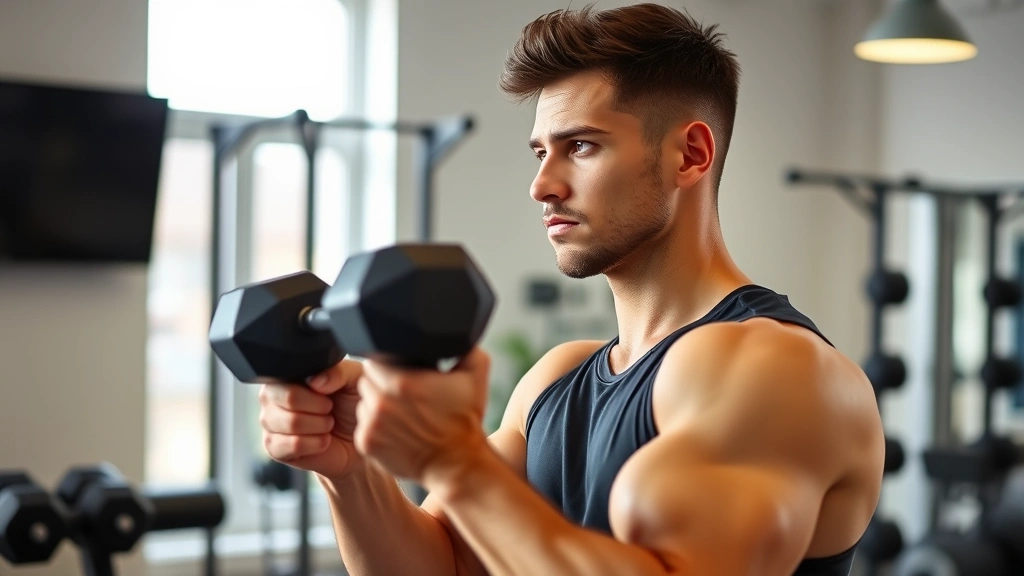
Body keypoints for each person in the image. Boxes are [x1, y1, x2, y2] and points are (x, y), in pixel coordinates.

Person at [258, 3, 885, 575]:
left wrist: (456, 464)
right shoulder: (558, 378)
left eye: (581, 146)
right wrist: (349, 467)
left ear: (690, 155)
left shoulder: (775, 369)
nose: (543, 185)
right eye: (539, 153)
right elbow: (440, 567)